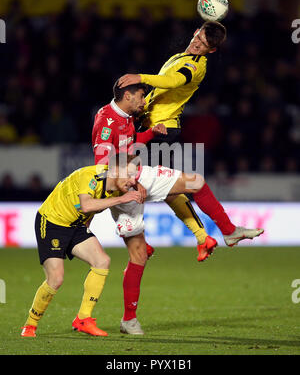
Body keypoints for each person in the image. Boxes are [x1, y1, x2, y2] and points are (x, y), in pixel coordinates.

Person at [91, 80, 263, 335]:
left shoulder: (126, 115)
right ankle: (128, 320)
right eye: (141, 96)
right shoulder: (106, 121)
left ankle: (227, 230)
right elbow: (102, 166)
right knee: (138, 256)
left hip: (135, 176)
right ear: (127, 95)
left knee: (195, 182)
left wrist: (150, 134)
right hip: (124, 186)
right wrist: (129, 186)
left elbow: (129, 143)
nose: (144, 101)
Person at [117, 21, 262, 247]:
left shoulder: (197, 66)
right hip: (150, 127)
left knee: (133, 179)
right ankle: (219, 233)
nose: (197, 44)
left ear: (211, 50)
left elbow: (173, 81)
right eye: (198, 38)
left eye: (204, 45)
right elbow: (164, 88)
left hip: (161, 131)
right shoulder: (178, 58)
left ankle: (217, 232)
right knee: (168, 188)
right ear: (196, 32)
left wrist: (141, 77)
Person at [21, 154, 144, 338]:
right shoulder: (91, 177)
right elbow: (86, 206)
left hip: (76, 225)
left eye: (135, 176)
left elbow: (91, 210)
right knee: (56, 278)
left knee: (102, 261)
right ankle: (30, 325)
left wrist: (137, 187)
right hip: (52, 221)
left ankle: (83, 319)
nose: (132, 181)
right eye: (130, 175)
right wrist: (122, 199)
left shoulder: (117, 186)